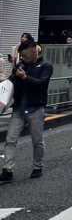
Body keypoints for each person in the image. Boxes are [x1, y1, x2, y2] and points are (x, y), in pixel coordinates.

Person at [0, 41, 53, 183]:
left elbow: (42, 84)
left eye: (25, 55)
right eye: (21, 55)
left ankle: (37, 166)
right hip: (18, 109)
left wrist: (25, 77)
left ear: (34, 52)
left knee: (37, 141)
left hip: (36, 108)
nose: (22, 58)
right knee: (10, 139)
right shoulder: (20, 66)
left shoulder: (46, 66)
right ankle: (7, 170)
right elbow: (10, 82)